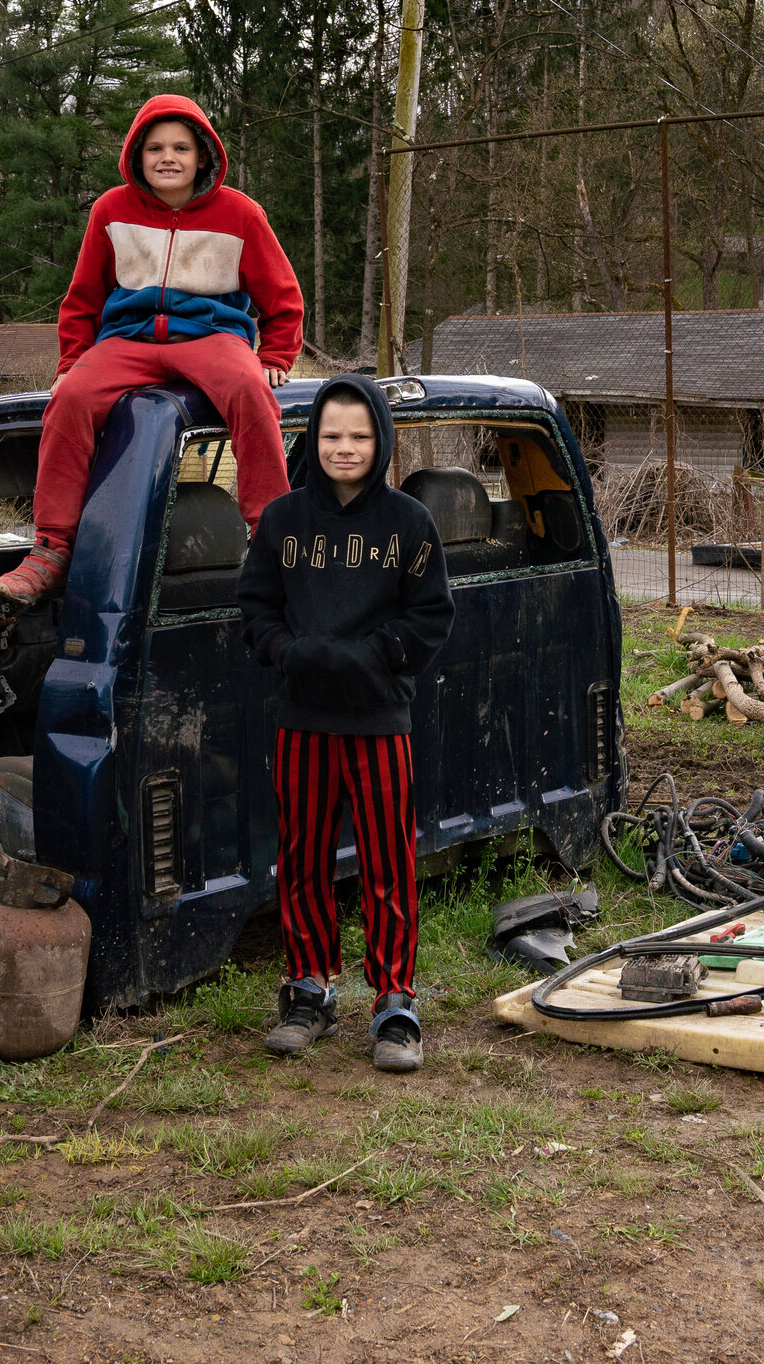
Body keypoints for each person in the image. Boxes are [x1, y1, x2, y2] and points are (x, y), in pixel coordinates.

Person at [0, 93, 303, 604]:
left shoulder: (241, 214)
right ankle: (50, 549)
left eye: (181, 147)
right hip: (128, 339)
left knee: (250, 390)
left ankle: (271, 537)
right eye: (155, 147)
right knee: (68, 401)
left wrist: (275, 358)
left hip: (212, 337)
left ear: (203, 155)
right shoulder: (110, 210)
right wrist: (71, 361)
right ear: (137, 156)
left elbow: (283, 296)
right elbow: (84, 295)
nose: (168, 157)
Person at [235, 376, 454, 1072]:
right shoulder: (281, 522)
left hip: (380, 720)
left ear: (381, 439)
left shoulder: (410, 524)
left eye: (360, 435)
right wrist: (291, 652)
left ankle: (394, 1003)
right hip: (302, 719)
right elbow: (256, 609)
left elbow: (431, 615)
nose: (345, 447)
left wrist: (376, 654)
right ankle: (310, 990)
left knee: (388, 863)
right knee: (301, 859)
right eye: (332, 435)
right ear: (312, 439)